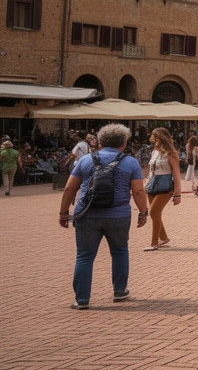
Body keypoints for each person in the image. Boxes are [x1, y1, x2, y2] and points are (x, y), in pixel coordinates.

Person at [59, 124, 149, 309]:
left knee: (84, 256)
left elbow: (69, 188)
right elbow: (139, 191)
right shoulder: (131, 162)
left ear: (100, 142)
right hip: (118, 215)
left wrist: (64, 212)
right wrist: (143, 212)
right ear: (124, 143)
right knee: (120, 251)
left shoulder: (85, 160)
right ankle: (119, 291)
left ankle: (82, 299)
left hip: (87, 214)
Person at [143, 127, 183, 251]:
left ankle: (154, 243)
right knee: (156, 214)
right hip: (152, 184)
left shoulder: (171, 154)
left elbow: (176, 174)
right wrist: (146, 183)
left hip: (165, 186)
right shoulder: (154, 152)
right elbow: (151, 170)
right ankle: (163, 237)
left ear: (160, 138)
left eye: (154, 136)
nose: (151, 138)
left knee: (153, 212)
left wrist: (177, 194)